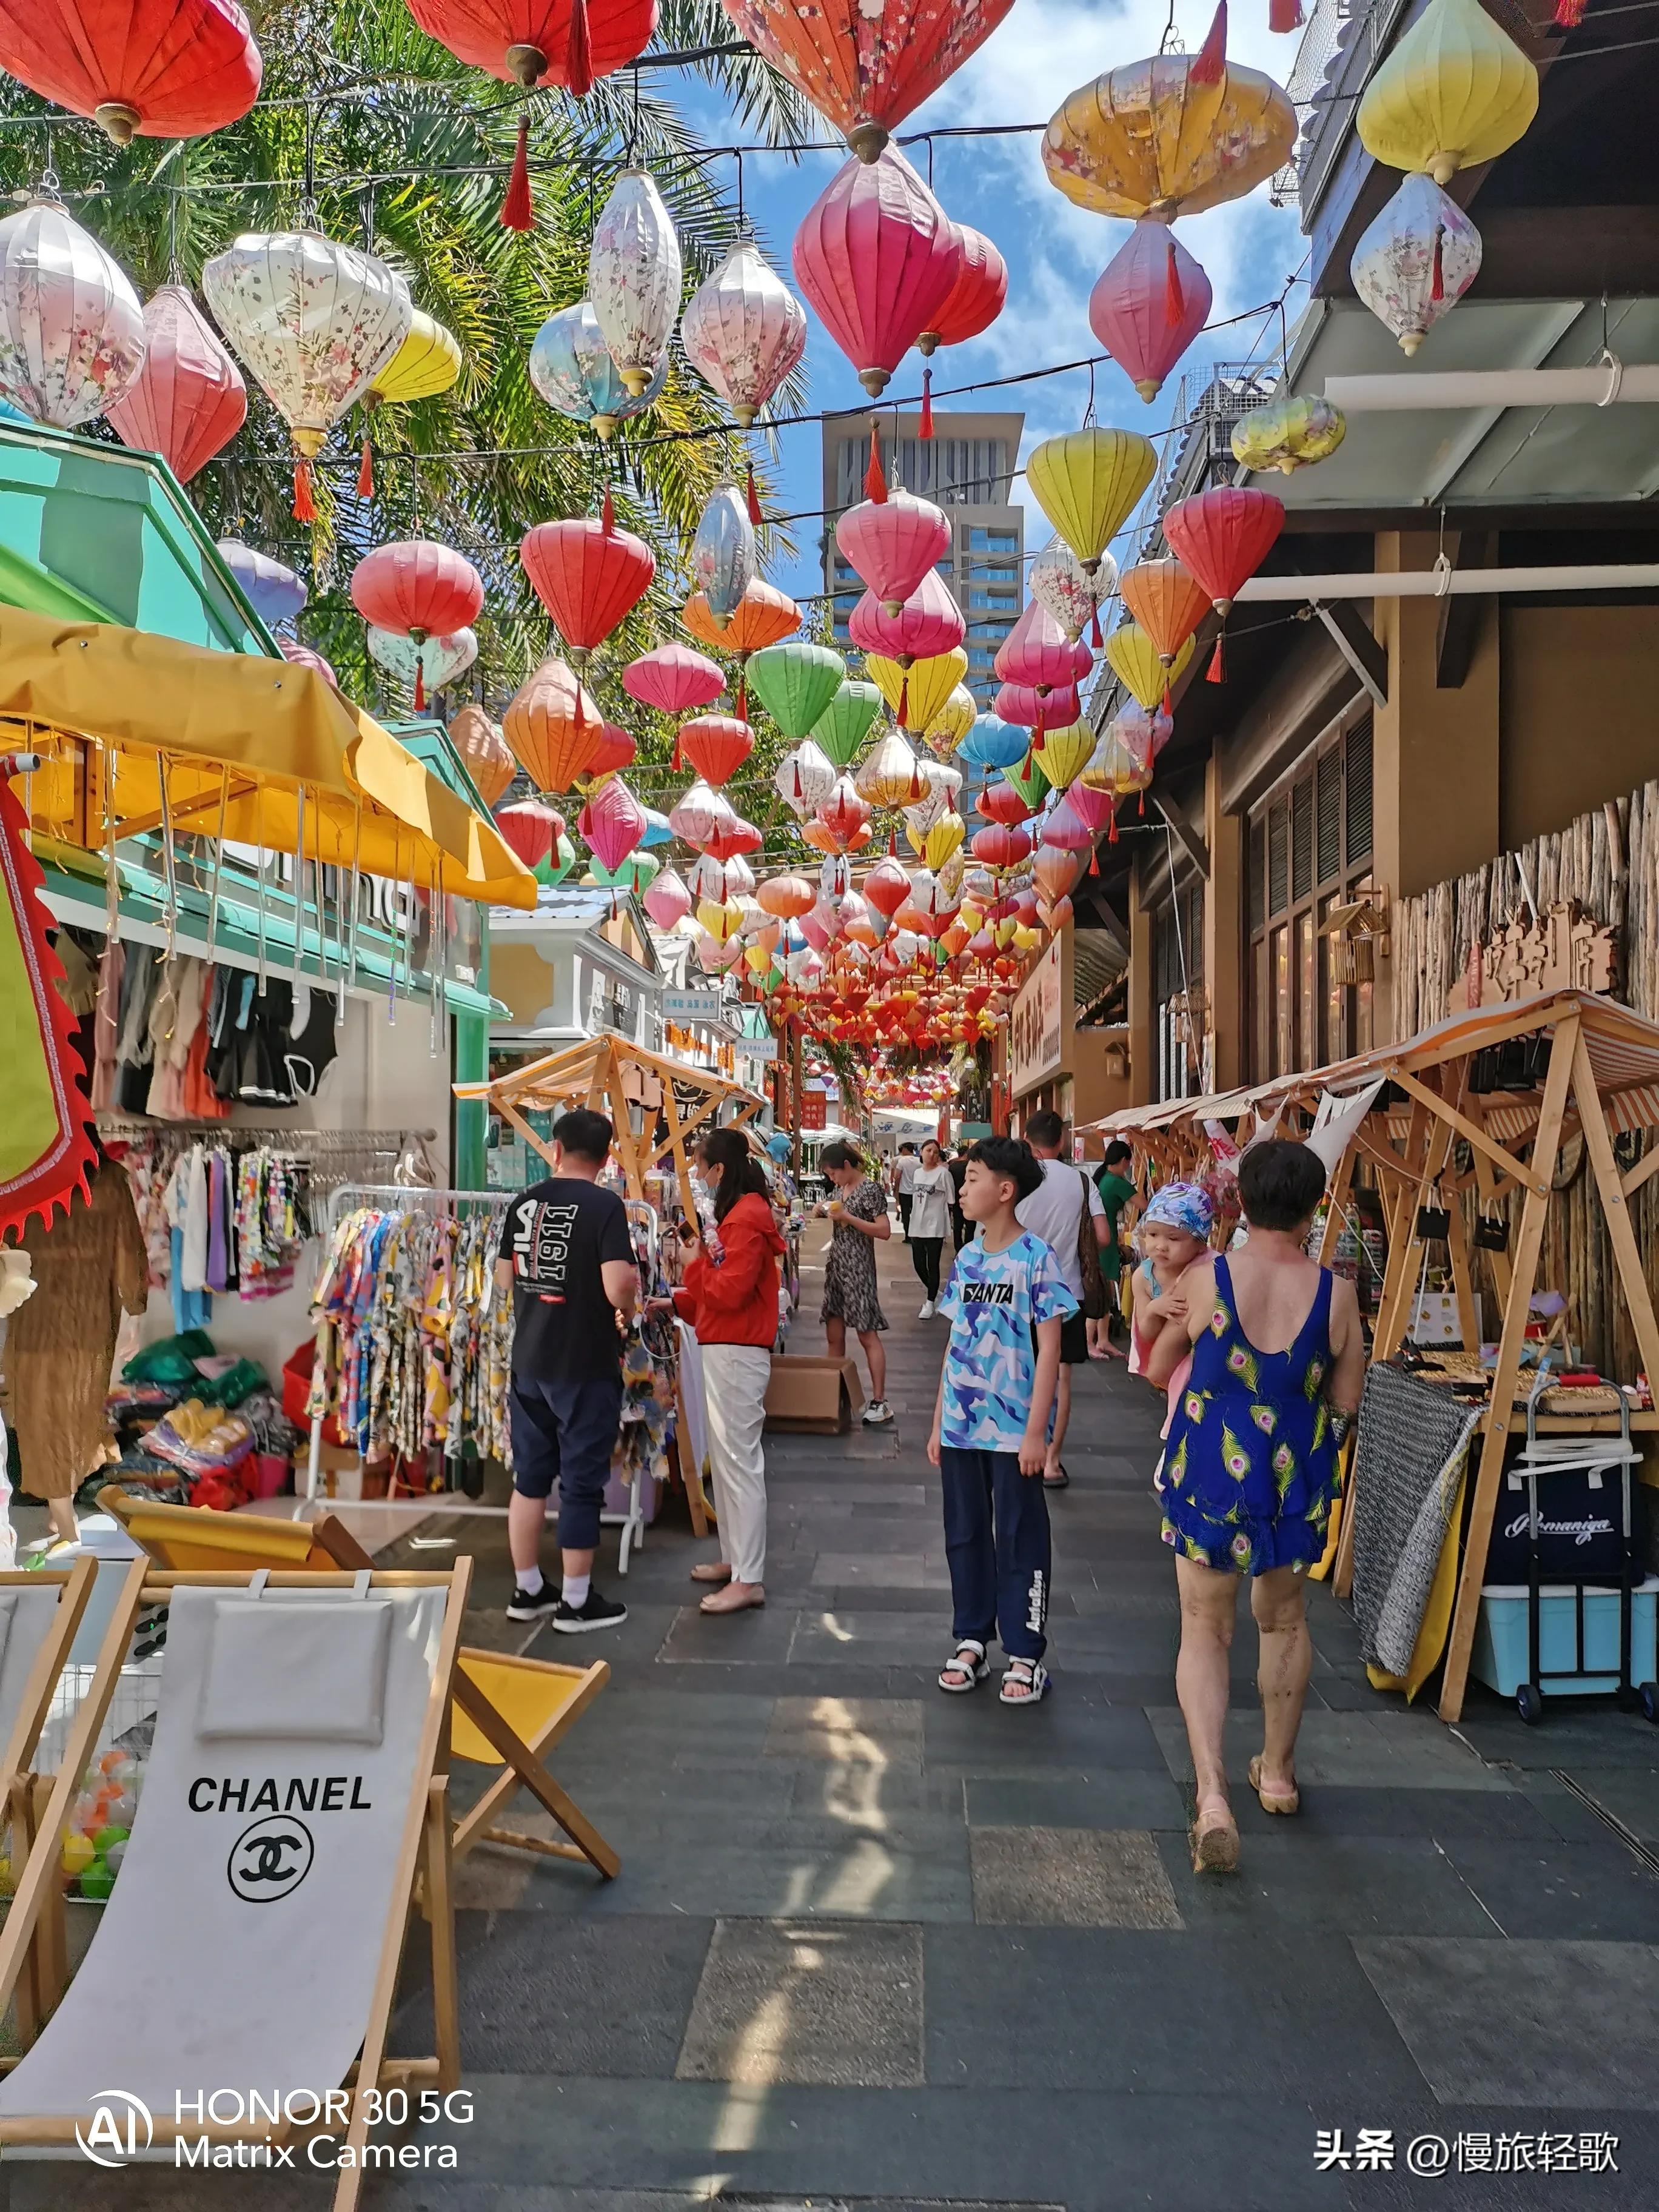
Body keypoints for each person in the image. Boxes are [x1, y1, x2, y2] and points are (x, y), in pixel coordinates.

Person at [1148, 1140, 1364, 1875]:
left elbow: (1158, 1368)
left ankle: (1211, 1795)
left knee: (1205, 1627)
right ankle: (1276, 1775)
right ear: (1312, 1210)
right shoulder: (1337, 1294)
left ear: (1242, 1201)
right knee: (1285, 1620)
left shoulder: (1210, 1277)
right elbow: (1347, 1399)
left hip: (1212, 1466)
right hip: (1294, 1476)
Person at [927, 1137, 1075, 1707]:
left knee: (1019, 1536)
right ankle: (971, 1637)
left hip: (1015, 1432)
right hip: (962, 1426)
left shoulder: (1037, 1257)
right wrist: (939, 1419)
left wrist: (1037, 1432)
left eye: (972, 1180)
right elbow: (955, 1342)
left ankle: (1024, 1652)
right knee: (964, 1532)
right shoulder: (967, 1258)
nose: (962, 1190)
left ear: (1005, 1190)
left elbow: (1051, 1350)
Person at [496, 1108, 639, 1632]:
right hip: (583, 1362)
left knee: (530, 1479)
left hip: (530, 1361)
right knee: (581, 1482)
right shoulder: (605, 1206)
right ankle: (576, 1601)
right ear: (606, 1157)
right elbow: (617, 1286)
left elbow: (503, 1280)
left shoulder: (524, 1202)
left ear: (556, 1149)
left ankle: (527, 1588)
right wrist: (632, 1305)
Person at [657, 1128, 785, 1615]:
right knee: (731, 1463)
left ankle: (748, 1576)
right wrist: (678, 1302)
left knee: (738, 1464)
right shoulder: (742, 1215)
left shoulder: (745, 1218)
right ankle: (736, 1561)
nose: (696, 1174)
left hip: (736, 1350)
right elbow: (725, 1290)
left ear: (720, 1169)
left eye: (700, 1164)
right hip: (728, 1345)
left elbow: (728, 1291)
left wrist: (691, 1267)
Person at [4, 1151, 148, 1547]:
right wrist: (135, 1310)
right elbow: (129, 1249)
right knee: (65, 1414)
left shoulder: (23, 1174)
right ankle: (63, 1516)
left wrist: (136, 1310)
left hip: (40, 1317)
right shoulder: (109, 1180)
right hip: (82, 1318)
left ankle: (62, 1513)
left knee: (46, 1415)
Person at [1013, 1109, 1109, 1490]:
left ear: (1027, 1140)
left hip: (1017, 1288)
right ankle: (1051, 1461)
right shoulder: (1082, 1181)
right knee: (1061, 1375)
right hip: (1066, 1292)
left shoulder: (1016, 1177)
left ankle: (1018, 1447)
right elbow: (1103, 1237)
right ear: (1062, 1141)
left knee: (1018, 1367)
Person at [816, 1139, 893, 1425]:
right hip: (837, 1266)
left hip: (859, 1269)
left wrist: (847, 1216)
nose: (832, 1179)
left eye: (834, 1173)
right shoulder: (841, 1189)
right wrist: (824, 1209)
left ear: (847, 1166)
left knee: (866, 1334)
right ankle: (833, 1392)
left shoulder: (869, 1189)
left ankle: (880, 1400)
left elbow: (884, 1230)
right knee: (834, 1332)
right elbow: (833, 1211)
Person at [1129, 1182, 1216, 1435]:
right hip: (1167, 1357)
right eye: (1153, 1235)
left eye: (1174, 1238)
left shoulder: (1211, 1268)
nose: (1160, 1245)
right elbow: (1146, 1332)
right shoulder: (1144, 1277)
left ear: (1200, 1243)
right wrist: (1155, 1308)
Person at [1088, 1140, 1138, 1360]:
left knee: (1105, 1293)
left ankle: (1102, 1340)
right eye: (1128, 1163)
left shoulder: (1104, 1177)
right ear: (1123, 1161)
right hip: (1106, 1240)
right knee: (1102, 1293)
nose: (1128, 1167)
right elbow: (1146, 1204)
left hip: (1102, 1238)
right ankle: (1090, 1342)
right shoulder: (1116, 1182)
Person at [908, 1139, 954, 1318]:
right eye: (928, 1150)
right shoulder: (917, 1173)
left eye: (936, 1152)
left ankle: (930, 1303)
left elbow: (951, 1200)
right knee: (919, 1264)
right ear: (921, 1152)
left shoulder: (943, 1174)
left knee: (932, 1265)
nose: (932, 1154)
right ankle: (935, 1293)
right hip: (917, 1224)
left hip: (935, 1225)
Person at [891, 1142, 919, 1241]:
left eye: (903, 1149)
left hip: (904, 1192)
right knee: (916, 1214)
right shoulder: (919, 1161)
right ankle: (916, 1235)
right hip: (917, 1192)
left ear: (906, 1149)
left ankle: (908, 1236)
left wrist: (896, 1190)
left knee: (906, 1215)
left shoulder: (902, 1161)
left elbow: (897, 1176)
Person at [946, 1147, 969, 1249]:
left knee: (957, 1225)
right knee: (970, 1224)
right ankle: (968, 1245)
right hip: (969, 1198)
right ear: (966, 1153)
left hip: (956, 1198)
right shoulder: (970, 1165)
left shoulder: (952, 1166)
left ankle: (958, 1247)